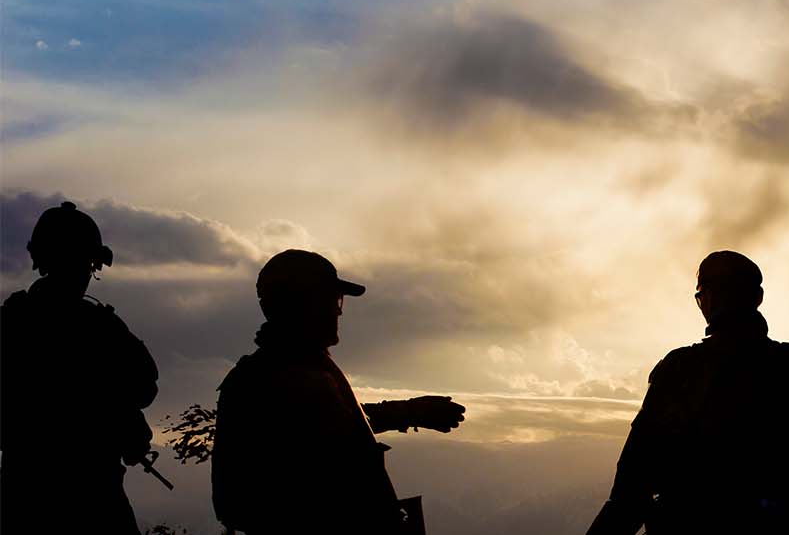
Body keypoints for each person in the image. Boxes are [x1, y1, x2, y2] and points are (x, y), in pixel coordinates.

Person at [586, 250, 789, 535]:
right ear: (757, 298)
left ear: (707, 299)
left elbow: (632, 487)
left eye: (700, 294)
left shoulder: (678, 372)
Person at [212, 249, 466, 534]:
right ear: (305, 304)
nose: (339, 310)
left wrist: (409, 412)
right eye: (332, 300)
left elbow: (333, 425)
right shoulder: (292, 376)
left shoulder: (284, 370)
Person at [0, 200, 159, 534]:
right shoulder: (101, 328)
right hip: (93, 495)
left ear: (39, 260)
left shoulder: (11, 321)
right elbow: (145, 386)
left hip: (24, 496)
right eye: (88, 264)